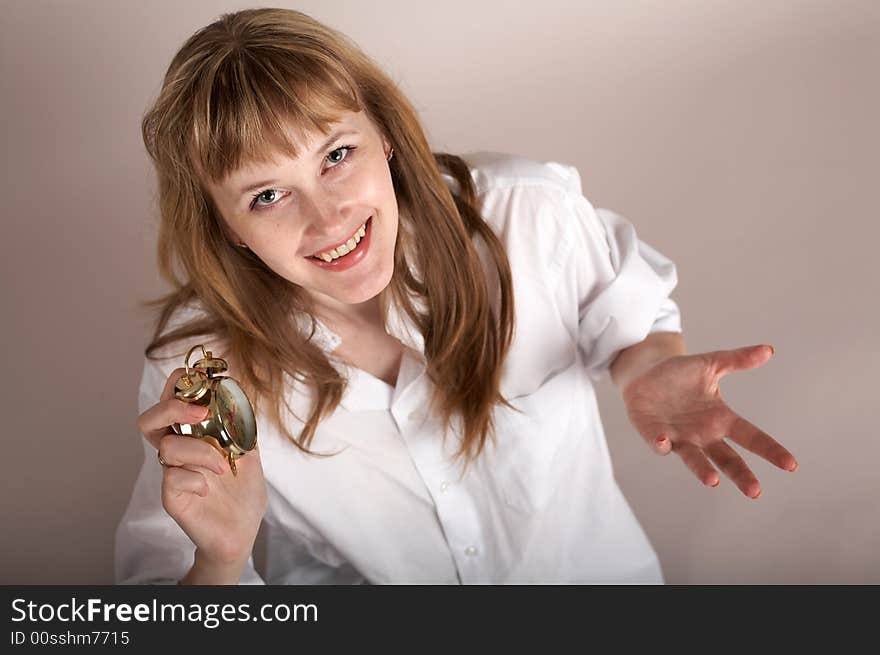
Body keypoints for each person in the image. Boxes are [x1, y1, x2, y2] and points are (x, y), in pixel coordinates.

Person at [115, 8, 799, 585]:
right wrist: (221, 559)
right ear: (225, 227)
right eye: (267, 195)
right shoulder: (200, 369)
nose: (327, 220)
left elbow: (632, 323)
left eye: (335, 155)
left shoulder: (526, 213)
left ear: (382, 134)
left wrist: (649, 368)